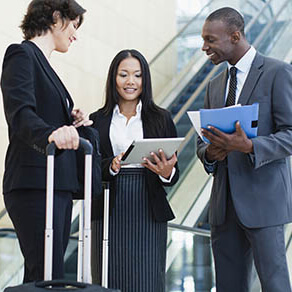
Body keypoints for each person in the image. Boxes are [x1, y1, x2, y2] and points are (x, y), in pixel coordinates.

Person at [197, 7, 292, 292]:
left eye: (210, 40)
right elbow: (201, 144)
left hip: (264, 203)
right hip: (223, 207)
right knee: (228, 286)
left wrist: (250, 146)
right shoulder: (215, 85)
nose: (204, 47)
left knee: (275, 285)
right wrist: (210, 153)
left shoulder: (277, 72)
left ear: (235, 36)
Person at [1, 0, 90, 283]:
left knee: (48, 277)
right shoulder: (21, 54)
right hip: (34, 183)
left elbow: (43, 114)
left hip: (56, 185)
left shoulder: (46, 66)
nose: (75, 35)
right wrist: (51, 134)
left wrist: (70, 122)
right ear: (55, 17)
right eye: (74, 25)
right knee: (45, 275)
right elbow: (21, 114)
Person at [90, 49, 179, 292]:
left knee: (148, 279)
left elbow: (173, 174)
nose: (131, 82)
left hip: (148, 206)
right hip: (109, 205)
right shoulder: (97, 120)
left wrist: (166, 171)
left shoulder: (161, 118)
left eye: (137, 75)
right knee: (107, 278)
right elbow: (88, 168)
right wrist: (110, 164)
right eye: (124, 75)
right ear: (113, 79)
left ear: (145, 80)